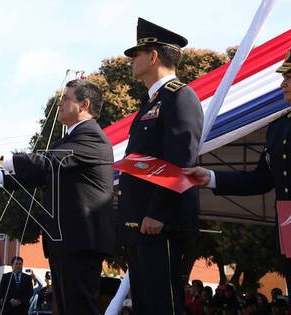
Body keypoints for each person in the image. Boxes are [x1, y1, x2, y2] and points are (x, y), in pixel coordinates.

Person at [0, 79, 115, 314]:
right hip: (64, 242)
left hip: (80, 242)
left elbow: (47, 161)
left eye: (66, 98)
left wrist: (2, 158)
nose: (60, 103)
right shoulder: (68, 140)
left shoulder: (92, 137)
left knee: (79, 309)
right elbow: (41, 175)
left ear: (84, 104)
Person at [183, 49, 291, 299]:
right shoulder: (278, 127)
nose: (282, 83)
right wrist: (210, 177)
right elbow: (262, 180)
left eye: (289, 77)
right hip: (287, 224)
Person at [117, 18, 203, 314]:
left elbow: (181, 160)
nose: (131, 60)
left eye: (136, 54)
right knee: (146, 305)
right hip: (140, 224)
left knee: (163, 305)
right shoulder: (150, 102)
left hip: (160, 224)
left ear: (152, 56)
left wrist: (158, 212)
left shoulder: (180, 96)